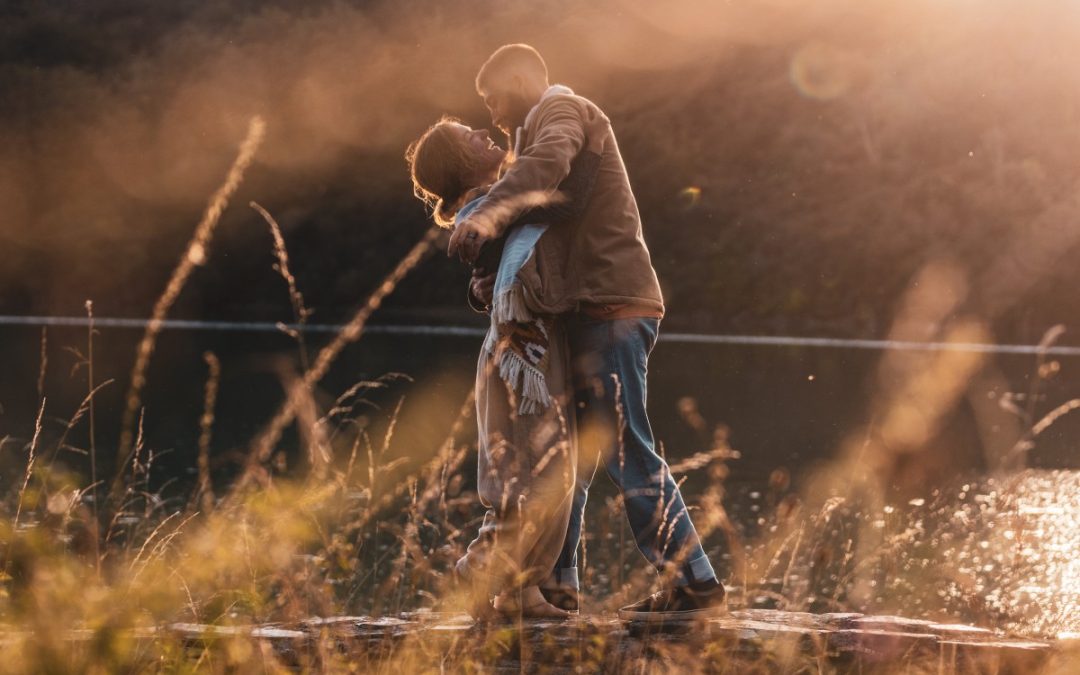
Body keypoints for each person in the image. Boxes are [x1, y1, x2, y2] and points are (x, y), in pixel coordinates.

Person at [449, 44, 727, 622]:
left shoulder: (562, 111)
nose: (494, 114)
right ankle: (556, 586)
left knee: (627, 448)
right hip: (586, 310)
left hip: (613, 306)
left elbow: (545, 166)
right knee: (566, 456)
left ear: (523, 79)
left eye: (493, 98)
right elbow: (541, 222)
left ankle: (694, 584)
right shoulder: (530, 140)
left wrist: (484, 214)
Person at [406, 117, 602, 619]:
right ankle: (477, 575)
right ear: (460, 161)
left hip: (531, 345)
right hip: (522, 357)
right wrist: (593, 140)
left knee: (551, 470)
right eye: (470, 136)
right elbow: (566, 204)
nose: (483, 134)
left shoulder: (494, 201)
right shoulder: (486, 207)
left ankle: (521, 591)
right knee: (534, 476)